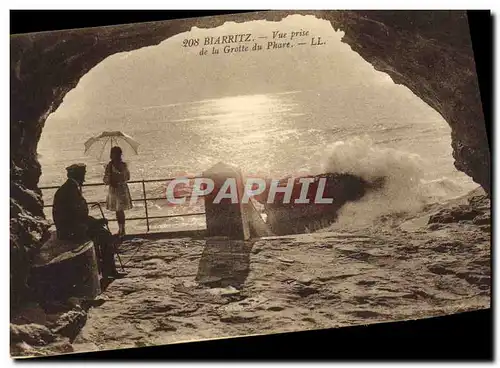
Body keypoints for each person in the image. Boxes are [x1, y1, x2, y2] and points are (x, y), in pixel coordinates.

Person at [52, 163, 125, 279]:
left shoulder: (70, 188)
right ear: (78, 176)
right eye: (83, 175)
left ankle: (105, 269)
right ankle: (108, 271)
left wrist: (96, 221)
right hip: (71, 229)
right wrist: (96, 222)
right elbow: (77, 216)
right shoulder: (70, 190)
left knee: (101, 232)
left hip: (71, 226)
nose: (84, 179)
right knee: (105, 236)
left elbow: (79, 215)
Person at [103, 146, 133, 238]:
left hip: (117, 189)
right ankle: (121, 230)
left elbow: (105, 180)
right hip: (121, 188)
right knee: (119, 210)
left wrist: (112, 177)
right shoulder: (121, 165)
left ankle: (122, 230)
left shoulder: (111, 166)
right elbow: (127, 177)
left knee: (119, 210)